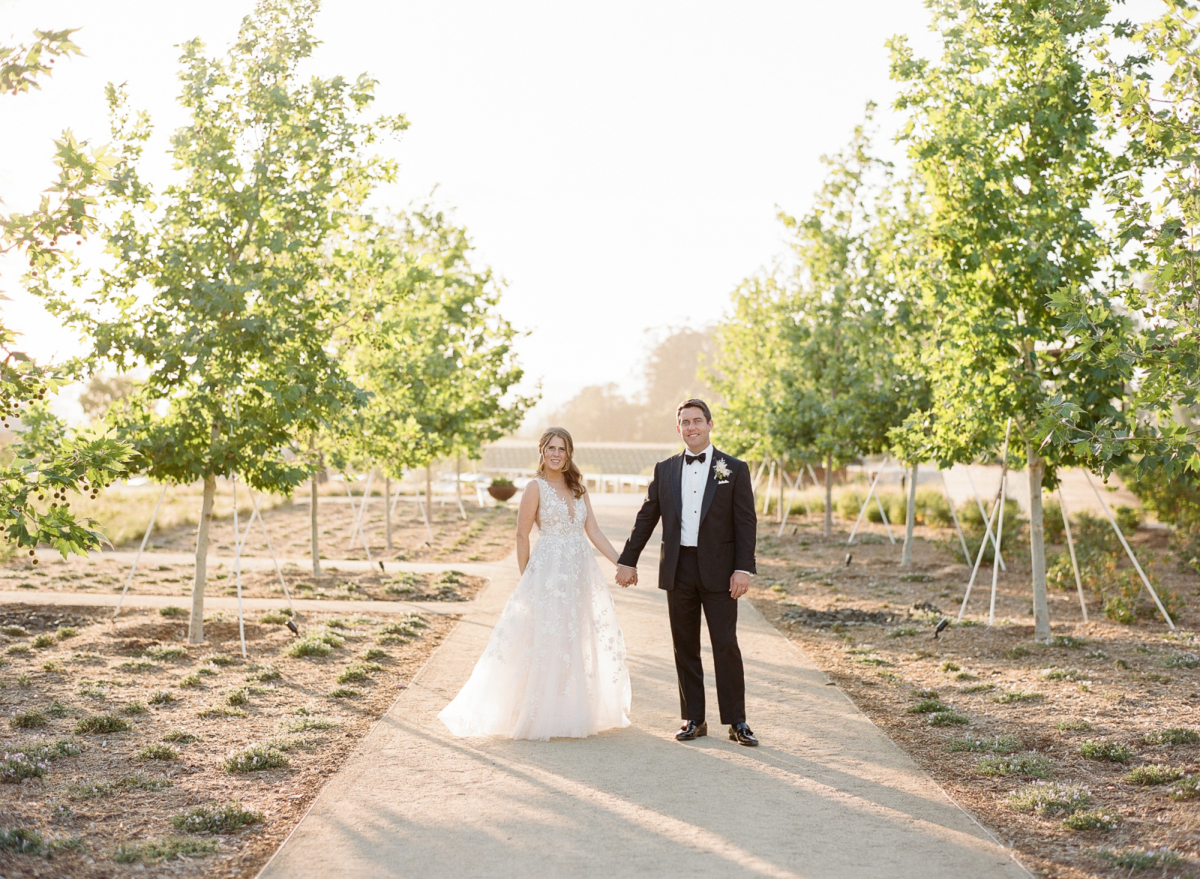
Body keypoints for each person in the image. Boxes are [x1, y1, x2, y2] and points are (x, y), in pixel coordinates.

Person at [438, 427, 632, 741]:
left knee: (573, 637)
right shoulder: (535, 487)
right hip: (548, 571)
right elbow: (521, 534)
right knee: (544, 638)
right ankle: (538, 711)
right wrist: (526, 578)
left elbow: (593, 531)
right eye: (552, 448)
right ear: (541, 451)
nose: (557, 454)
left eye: (563, 449)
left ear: (569, 453)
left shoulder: (579, 488)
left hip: (579, 570)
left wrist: (621, 561)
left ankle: (567, 708)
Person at [615, 399, 759, 745]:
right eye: (685, 422)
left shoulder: (733, 468)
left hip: (722, 572)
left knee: (725, 645)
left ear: (710, 425)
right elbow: (647, 516)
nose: (691, 427)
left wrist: (743, 569)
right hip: (678, 570)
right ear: (678, 428)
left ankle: (737, 722)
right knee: (685, 645)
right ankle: (694, 717)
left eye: (697, 421)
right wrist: (628, 559)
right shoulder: (665, 469)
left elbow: (745, 522)